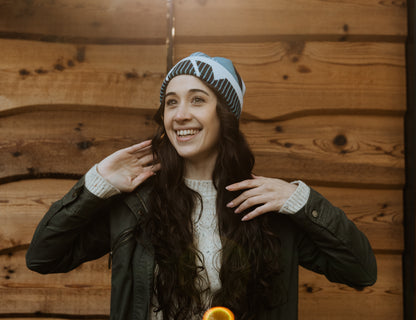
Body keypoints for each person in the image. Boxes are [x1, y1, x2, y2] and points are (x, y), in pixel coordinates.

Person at [26, 52, 377, 320]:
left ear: (224, 116)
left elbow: (360, 270)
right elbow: (43, 256)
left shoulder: (266, 207)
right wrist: (98, 181)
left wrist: (300, 200)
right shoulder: (136, 206)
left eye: (197, 99)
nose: (180, 114)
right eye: (171, 102)